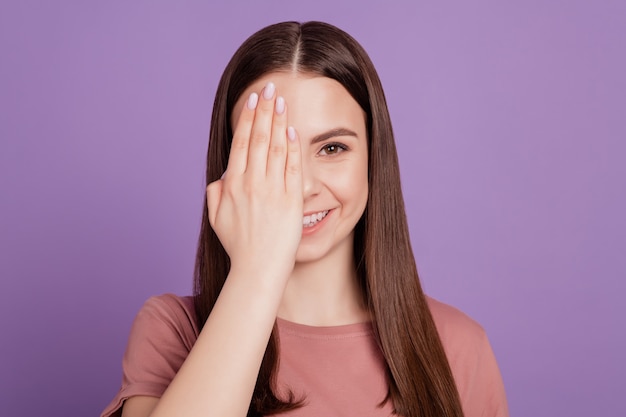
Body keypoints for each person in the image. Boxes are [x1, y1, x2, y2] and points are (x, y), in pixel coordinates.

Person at [102, 21, 509, 417]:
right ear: (229, 168)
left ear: (373, 158)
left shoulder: (458, 346)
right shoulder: (173, 330)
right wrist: (255, 271)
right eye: (273, 152)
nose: (302, 187)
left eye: (332, 148)